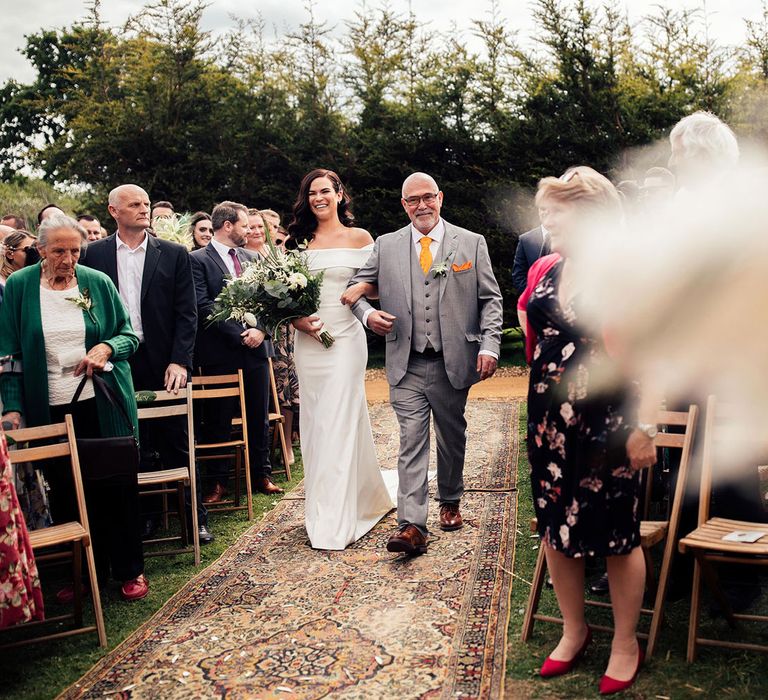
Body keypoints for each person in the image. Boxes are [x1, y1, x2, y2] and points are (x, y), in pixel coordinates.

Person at [518, 167, 656, 694]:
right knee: (555, 523)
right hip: (550, 421)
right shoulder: (549, 265)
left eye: (556, 209)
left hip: (612, 419)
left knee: (617, 533)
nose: (545, 218)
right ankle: (574, 630)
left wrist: (645, 424)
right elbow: (535, 331)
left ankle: (625, 642)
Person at [347, 172, 504, 555]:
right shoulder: (386, 246)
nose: (421, 205)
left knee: (452, 438)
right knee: (411, 440)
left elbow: (491, 300)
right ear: (403, 205)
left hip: (453, 361)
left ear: (440, 198)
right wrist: (369, 316)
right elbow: (353, 290)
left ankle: (450, 499)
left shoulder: (471, 243)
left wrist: (490, 345)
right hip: (406, 363)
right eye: (412, 200)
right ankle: (411, 525)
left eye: (427, 197)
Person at [0, 213, 148, 601]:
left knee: (115, 486)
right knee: (66, 489)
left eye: (75, 250)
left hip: (102, 400)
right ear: (40, 250)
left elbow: (128, 335)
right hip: (50, 404)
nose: (68, 260)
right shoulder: (19, 286)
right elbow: (10, 354)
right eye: (58, 251)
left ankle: (130, 569)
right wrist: (13, 409)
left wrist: (105, 347)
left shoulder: (97, 282)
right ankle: (84, 573)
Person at [81, 185, 209, 544]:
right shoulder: (93, 255)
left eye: (146, 204)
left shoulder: (172, 253)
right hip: (117, 360)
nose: (143, 209)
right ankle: (147, 517)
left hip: (163, 359)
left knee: (177, 438)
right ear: (113, 211)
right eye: (134, 204)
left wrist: (180, 361)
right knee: (132, 443)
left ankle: (194, 515)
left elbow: (188, 314)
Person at [288, 169, 393, 550]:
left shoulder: (360, 238)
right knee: (317, 422)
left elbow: (382, 285)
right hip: (309, 340)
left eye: (324, 191)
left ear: (338, 194)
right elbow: (280, 296)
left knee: (340, 417)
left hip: (346, 338)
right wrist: (297, 320)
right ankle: (341, 498)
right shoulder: (296, 241)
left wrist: (361, 286)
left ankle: (336, 515)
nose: (318, 198)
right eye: (311, 192)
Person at [190, 201, 283, 499]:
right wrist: (240, 334)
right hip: (221, 351)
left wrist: (261, 330)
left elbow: (272, 299)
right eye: (244, 225)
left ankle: (261, 474)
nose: (249, 230)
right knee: (218, 418)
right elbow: (204, 305)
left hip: (257, 349)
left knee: (259, 414)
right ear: (228, 226)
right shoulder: (197, 260)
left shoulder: (253, 257)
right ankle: (218, 481)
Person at [512, 210, 550, 294]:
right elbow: (518, 276)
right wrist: (534, 296)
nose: (546, 212)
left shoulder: (571, 237)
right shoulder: (525, 240)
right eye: (543, 208)